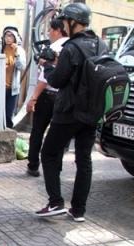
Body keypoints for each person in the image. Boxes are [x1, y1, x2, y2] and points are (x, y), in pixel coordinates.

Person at [36, 3, 107, 222]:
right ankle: (78, 210)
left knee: (49, 153)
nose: (64, 25)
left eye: (65, 21)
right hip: (92, 112)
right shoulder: (101, 45)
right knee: (83, 160)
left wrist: (47, 64)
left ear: (73, 22)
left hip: (68, 113)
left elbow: (57, 80)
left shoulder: (71, 47)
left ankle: (56, 201)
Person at [25, 19, 69, 177]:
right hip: (64, 97)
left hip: (48, 96)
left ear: (57, 30)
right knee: (60, 134)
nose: (49, 34)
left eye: (50, 30)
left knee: (37, 131)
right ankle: (56, 165)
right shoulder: (73, 47)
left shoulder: (54, 48)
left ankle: (33, 165)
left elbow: (45, 79)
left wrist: (33, 98)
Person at [1, 26, 26, 129]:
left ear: (15, 37)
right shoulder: (1, 49)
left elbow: (22, 67)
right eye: (6, 35)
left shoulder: (19, 50)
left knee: (8, 114)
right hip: (0, 87)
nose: (8, 38)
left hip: (12, 88)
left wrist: (16, 54)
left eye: (11, 36)